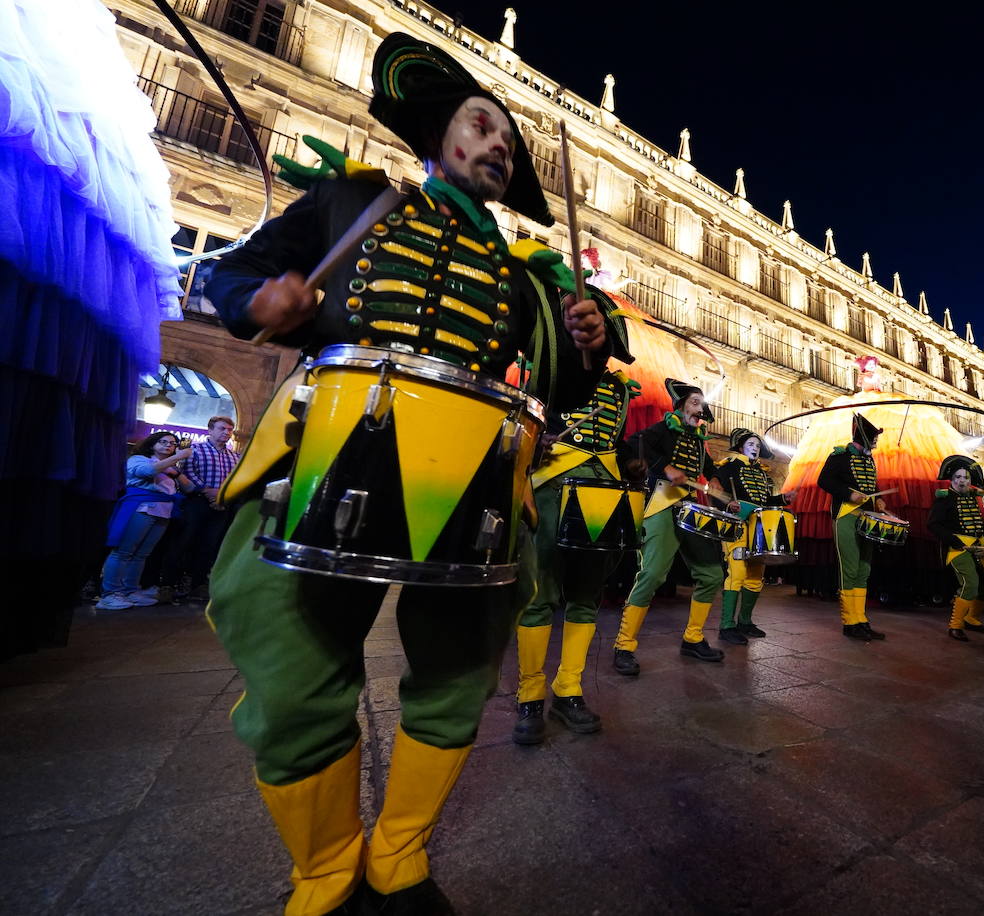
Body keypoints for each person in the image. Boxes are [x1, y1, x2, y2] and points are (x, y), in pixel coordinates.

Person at [201, 33, 621, 915]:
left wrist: (584, 346)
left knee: (462, 668)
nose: (501, 144)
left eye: (511, 140)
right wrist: (258, 302)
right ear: (438, 141)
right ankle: (324, 869)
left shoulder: (524, 277)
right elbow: (230, 276)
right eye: (484, 126)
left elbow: (561, 386)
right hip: (323, 458)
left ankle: (399, 855)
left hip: (468, 479)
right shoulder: (351, 203)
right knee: (284, 656)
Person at [513, 368, 641, 745]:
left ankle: (568, 688)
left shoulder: (620, 389)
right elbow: (519, 422)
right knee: (541, 591)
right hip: (553, 481)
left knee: (587, 596)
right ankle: (530, 694)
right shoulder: (549, 366)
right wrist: (535, 443)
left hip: (604, 488)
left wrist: (629, 463)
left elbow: (613, 441)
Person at [612, 379, 726, 674]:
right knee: (651, 574)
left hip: (689, 507)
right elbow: (632, 446)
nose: (700, 409)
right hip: (662, 502)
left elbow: (706, 468)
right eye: (694, 403)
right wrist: (664, 467)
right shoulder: (663, 429)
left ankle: (693, 638)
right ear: (680, 406)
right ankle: (624, 645)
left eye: (702, 404)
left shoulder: (699, 439)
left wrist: (713, 478)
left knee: (712, 574)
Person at [710, 428, 792, 644]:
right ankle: (727, 626)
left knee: (756, 576)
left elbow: (765, 501)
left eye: (757, 445)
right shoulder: (729, 466)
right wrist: (727, 503)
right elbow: (714, 490)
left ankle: (745, 622)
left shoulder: (763, 473)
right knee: (736, 573)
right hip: (735, 525)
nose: (755, 448)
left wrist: (783, 499)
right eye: (751, 445)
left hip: (759, 527)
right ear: (740, 447)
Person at [95, 432, 192, 610]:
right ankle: (109, 593)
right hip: (142, 508)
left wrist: (177, 470)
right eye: (163, 442)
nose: (168, 445)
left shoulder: (171, 467)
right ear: (152, 444)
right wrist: (178, 457)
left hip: (163, 511)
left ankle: (130, 590)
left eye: (172, 443)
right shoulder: (139, 459)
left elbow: (190, 487)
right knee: (124, 551)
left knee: (142, 554)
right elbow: (146, 472)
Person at [817, 414, 889, 641]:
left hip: (867, 516)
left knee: (864, 569)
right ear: (864, 438)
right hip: (846, 515)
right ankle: (850, 622)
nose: (876, 442)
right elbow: (824, 481)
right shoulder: (840, 456)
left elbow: (871, 484)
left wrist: (877, 499)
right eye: (874, 438)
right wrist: (849, 494)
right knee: (849, 569)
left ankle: (861, 619)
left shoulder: (869, 459)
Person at [160, 415, 239, 601]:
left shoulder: (235, 457)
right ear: (210, 430)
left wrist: (222, 495)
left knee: (210, 545)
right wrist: (206, 490)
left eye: (229, 429)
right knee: (183, 541)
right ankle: (167, 584)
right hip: (196, 501)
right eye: (222, 428)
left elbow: (235, 479)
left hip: (221, 504)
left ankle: (198, 584)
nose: (226, 432)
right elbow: (187, 472)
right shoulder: (194, 450)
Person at [927, 455, 984, 642]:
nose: (962, 481)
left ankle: (971, 619)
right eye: (958, 477)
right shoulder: (944, 498)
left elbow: (975, 522)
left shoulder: (974, 498)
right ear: (952, 479)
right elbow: (933, 525)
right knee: (970, 583)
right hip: (958, 548)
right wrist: (954, 540)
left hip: (979, 546)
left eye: (965, 477)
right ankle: (955, 625)